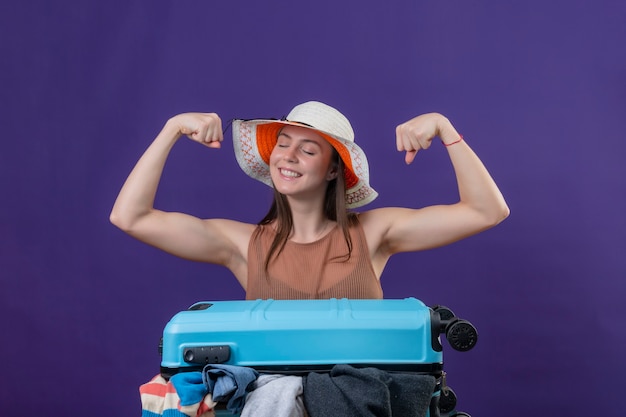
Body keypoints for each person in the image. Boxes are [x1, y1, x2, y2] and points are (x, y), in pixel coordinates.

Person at [110, 101, 509, 300]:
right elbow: (130, 218)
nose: (288, 156)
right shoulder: (240, 245)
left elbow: (487, 211)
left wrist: (445, 128)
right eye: (282, 144)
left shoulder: (374, 233)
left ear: (334, 169)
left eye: (308, 149)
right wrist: (170, 130)